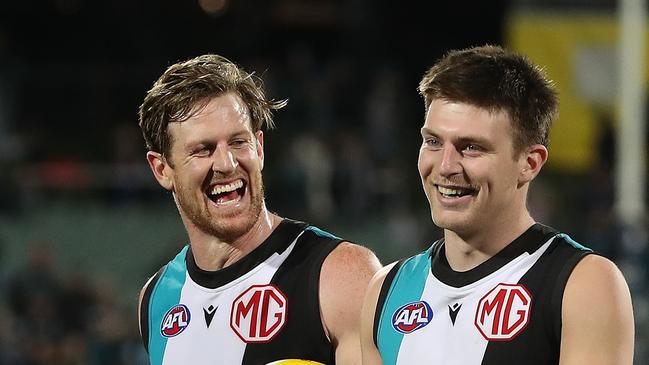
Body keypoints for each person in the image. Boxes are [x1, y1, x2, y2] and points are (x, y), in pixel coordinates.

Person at [360, 45, 634, 365]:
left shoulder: (583, 285)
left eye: (472, 147)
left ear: (529, 163)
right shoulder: (386, 292)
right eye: (433, 141)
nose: (446, 166)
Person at [136, 54, 381, 365]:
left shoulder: (342, 275)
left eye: (239, 142)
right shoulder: (156, 299)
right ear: (161, 169)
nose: (226, 164)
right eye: (203, 149)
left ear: (259, 148)